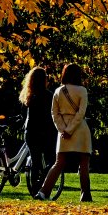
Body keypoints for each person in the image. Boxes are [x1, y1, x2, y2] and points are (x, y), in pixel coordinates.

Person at [34, 63, 93, 202]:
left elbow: (54, 114)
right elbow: (81, 113)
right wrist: (71, 129)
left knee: (59, 163)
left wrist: (63, 130)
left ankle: (43, 192)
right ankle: (85, 194)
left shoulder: (58, 91)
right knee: (84, 163)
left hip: (63, 130)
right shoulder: (82, 91)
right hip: (80, 129)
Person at [19, 66, 57, 196]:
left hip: (30, 132)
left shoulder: (29, 96)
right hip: (45, 133)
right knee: (51, 160)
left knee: (35, 162)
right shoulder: (49, 96)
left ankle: (35, 188)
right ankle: (41, 184)